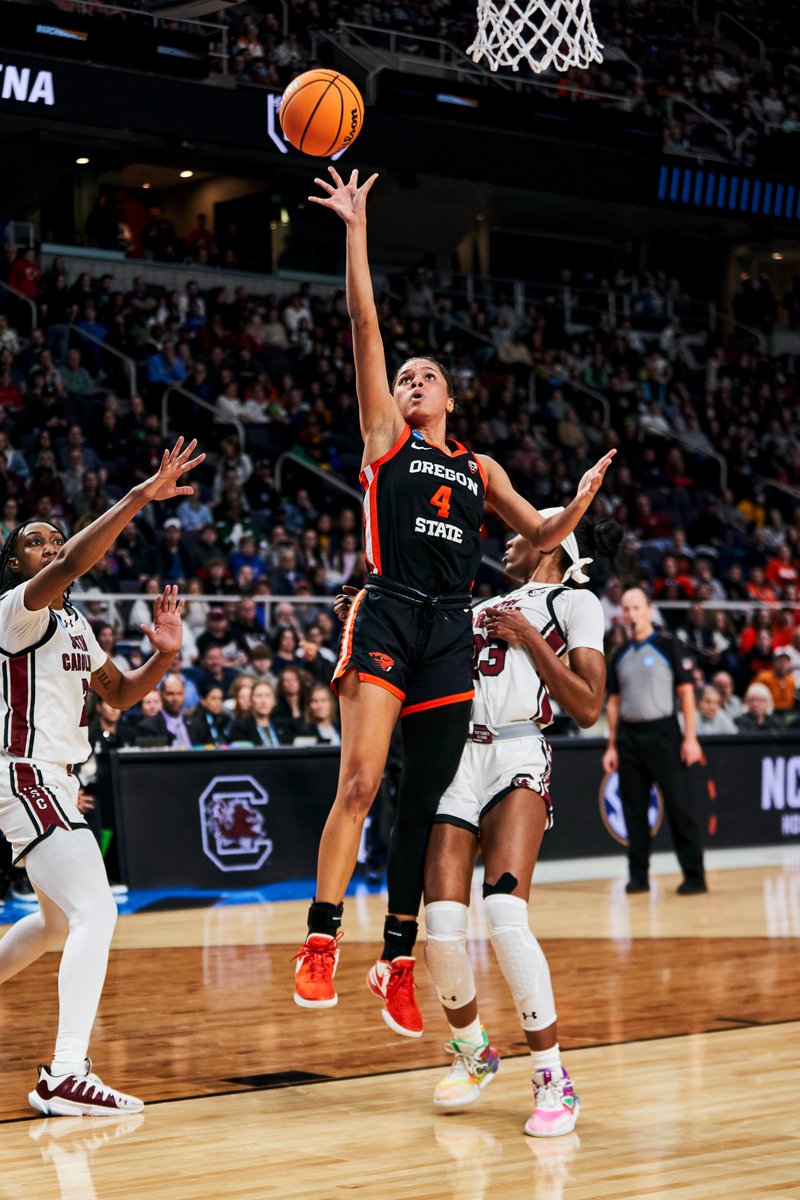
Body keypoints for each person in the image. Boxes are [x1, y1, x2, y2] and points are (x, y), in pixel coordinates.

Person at [292, 166, 615, 1034]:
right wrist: (355, 228)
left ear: (449, 395)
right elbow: (363, 324)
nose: (410, 381)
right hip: (391, 605)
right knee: (359, 781)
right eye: (403, 376)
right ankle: (320, 939)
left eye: (424, 375)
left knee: (422, 801)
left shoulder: (481, 469)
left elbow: (540, 535)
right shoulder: (385, 441)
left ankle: (396, 960)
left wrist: (577, 501)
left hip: (447, 628)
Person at [0, 438, 203, 1116]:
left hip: (53, 777)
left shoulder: (77, 625)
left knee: (58, 926)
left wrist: (165, 658)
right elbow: (74, 559)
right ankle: (65, 1072)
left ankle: (65, 1071)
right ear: (15, 562)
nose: (50, 545)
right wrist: (142, 494)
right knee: (98, 910)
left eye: (53, 536)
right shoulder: (15, 610)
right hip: (22, 772)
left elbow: (117, 695)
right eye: (35, 541)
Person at [419, 514, 619, 1136]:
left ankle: (554, 1077)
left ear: (556, 544)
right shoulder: (485, 600)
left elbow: (587, 707)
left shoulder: (577, 602)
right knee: (443, 922)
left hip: (517, 751)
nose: (513, 531)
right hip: (457, 755)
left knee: (504, 914)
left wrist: (532, 638)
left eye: (533, 525)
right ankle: (473, 1051)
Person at [603, 587, 707, 896]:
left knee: (679, 806)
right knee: (633, 811)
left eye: (636, 607)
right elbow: (613, 702)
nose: (631, 614)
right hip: (628, 737)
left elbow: (686, 693)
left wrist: (690, 737)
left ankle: (694, 876)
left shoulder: (668, 645)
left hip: (664, 733)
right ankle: (638, 877)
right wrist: (611, 744)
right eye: (626, 608)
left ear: (649, 610)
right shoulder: (619, 654)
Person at [228, 680, 289, 746]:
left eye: (267, 695)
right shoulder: (240, 727)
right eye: (258, 696)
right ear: (251, 700)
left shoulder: (283, 726)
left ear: (273, 701)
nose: (263, 701)